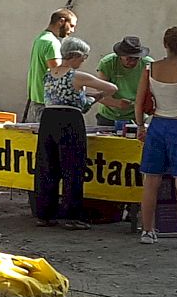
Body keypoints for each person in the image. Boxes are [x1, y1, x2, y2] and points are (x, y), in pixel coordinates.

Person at [34, 38, 119, 229]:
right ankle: (72, 215)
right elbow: (111, 88)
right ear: (76, 55)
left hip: (48, 119)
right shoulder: (77, 76)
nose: (84, 61)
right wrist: (94, 96)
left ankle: (45, 213)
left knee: (48, 166)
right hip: (69, 120)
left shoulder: (49, 74)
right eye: (84, 57)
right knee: (72, 167)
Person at [136, 25, 177, 250]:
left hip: (157, 125)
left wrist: (139, 126)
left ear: (165, 44)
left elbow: (140, 101)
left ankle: (147, 230)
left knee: (151, 181)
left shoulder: (150, 68)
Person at [28, 8, 77, 112]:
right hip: (48, 101)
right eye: (71, 26)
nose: (72, 31)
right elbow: (58, 73)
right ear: (61, 21)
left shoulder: (41, 38)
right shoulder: (52, 43)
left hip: (38, 97)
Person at [94, 34, 147, 130]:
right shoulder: (107, 63)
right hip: (109, 116)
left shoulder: (147, 65)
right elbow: (99, 95)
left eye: (136, 58)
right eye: (128, 58)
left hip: (136, 117)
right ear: (120, 56)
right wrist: (116, 103)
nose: (132, 62)